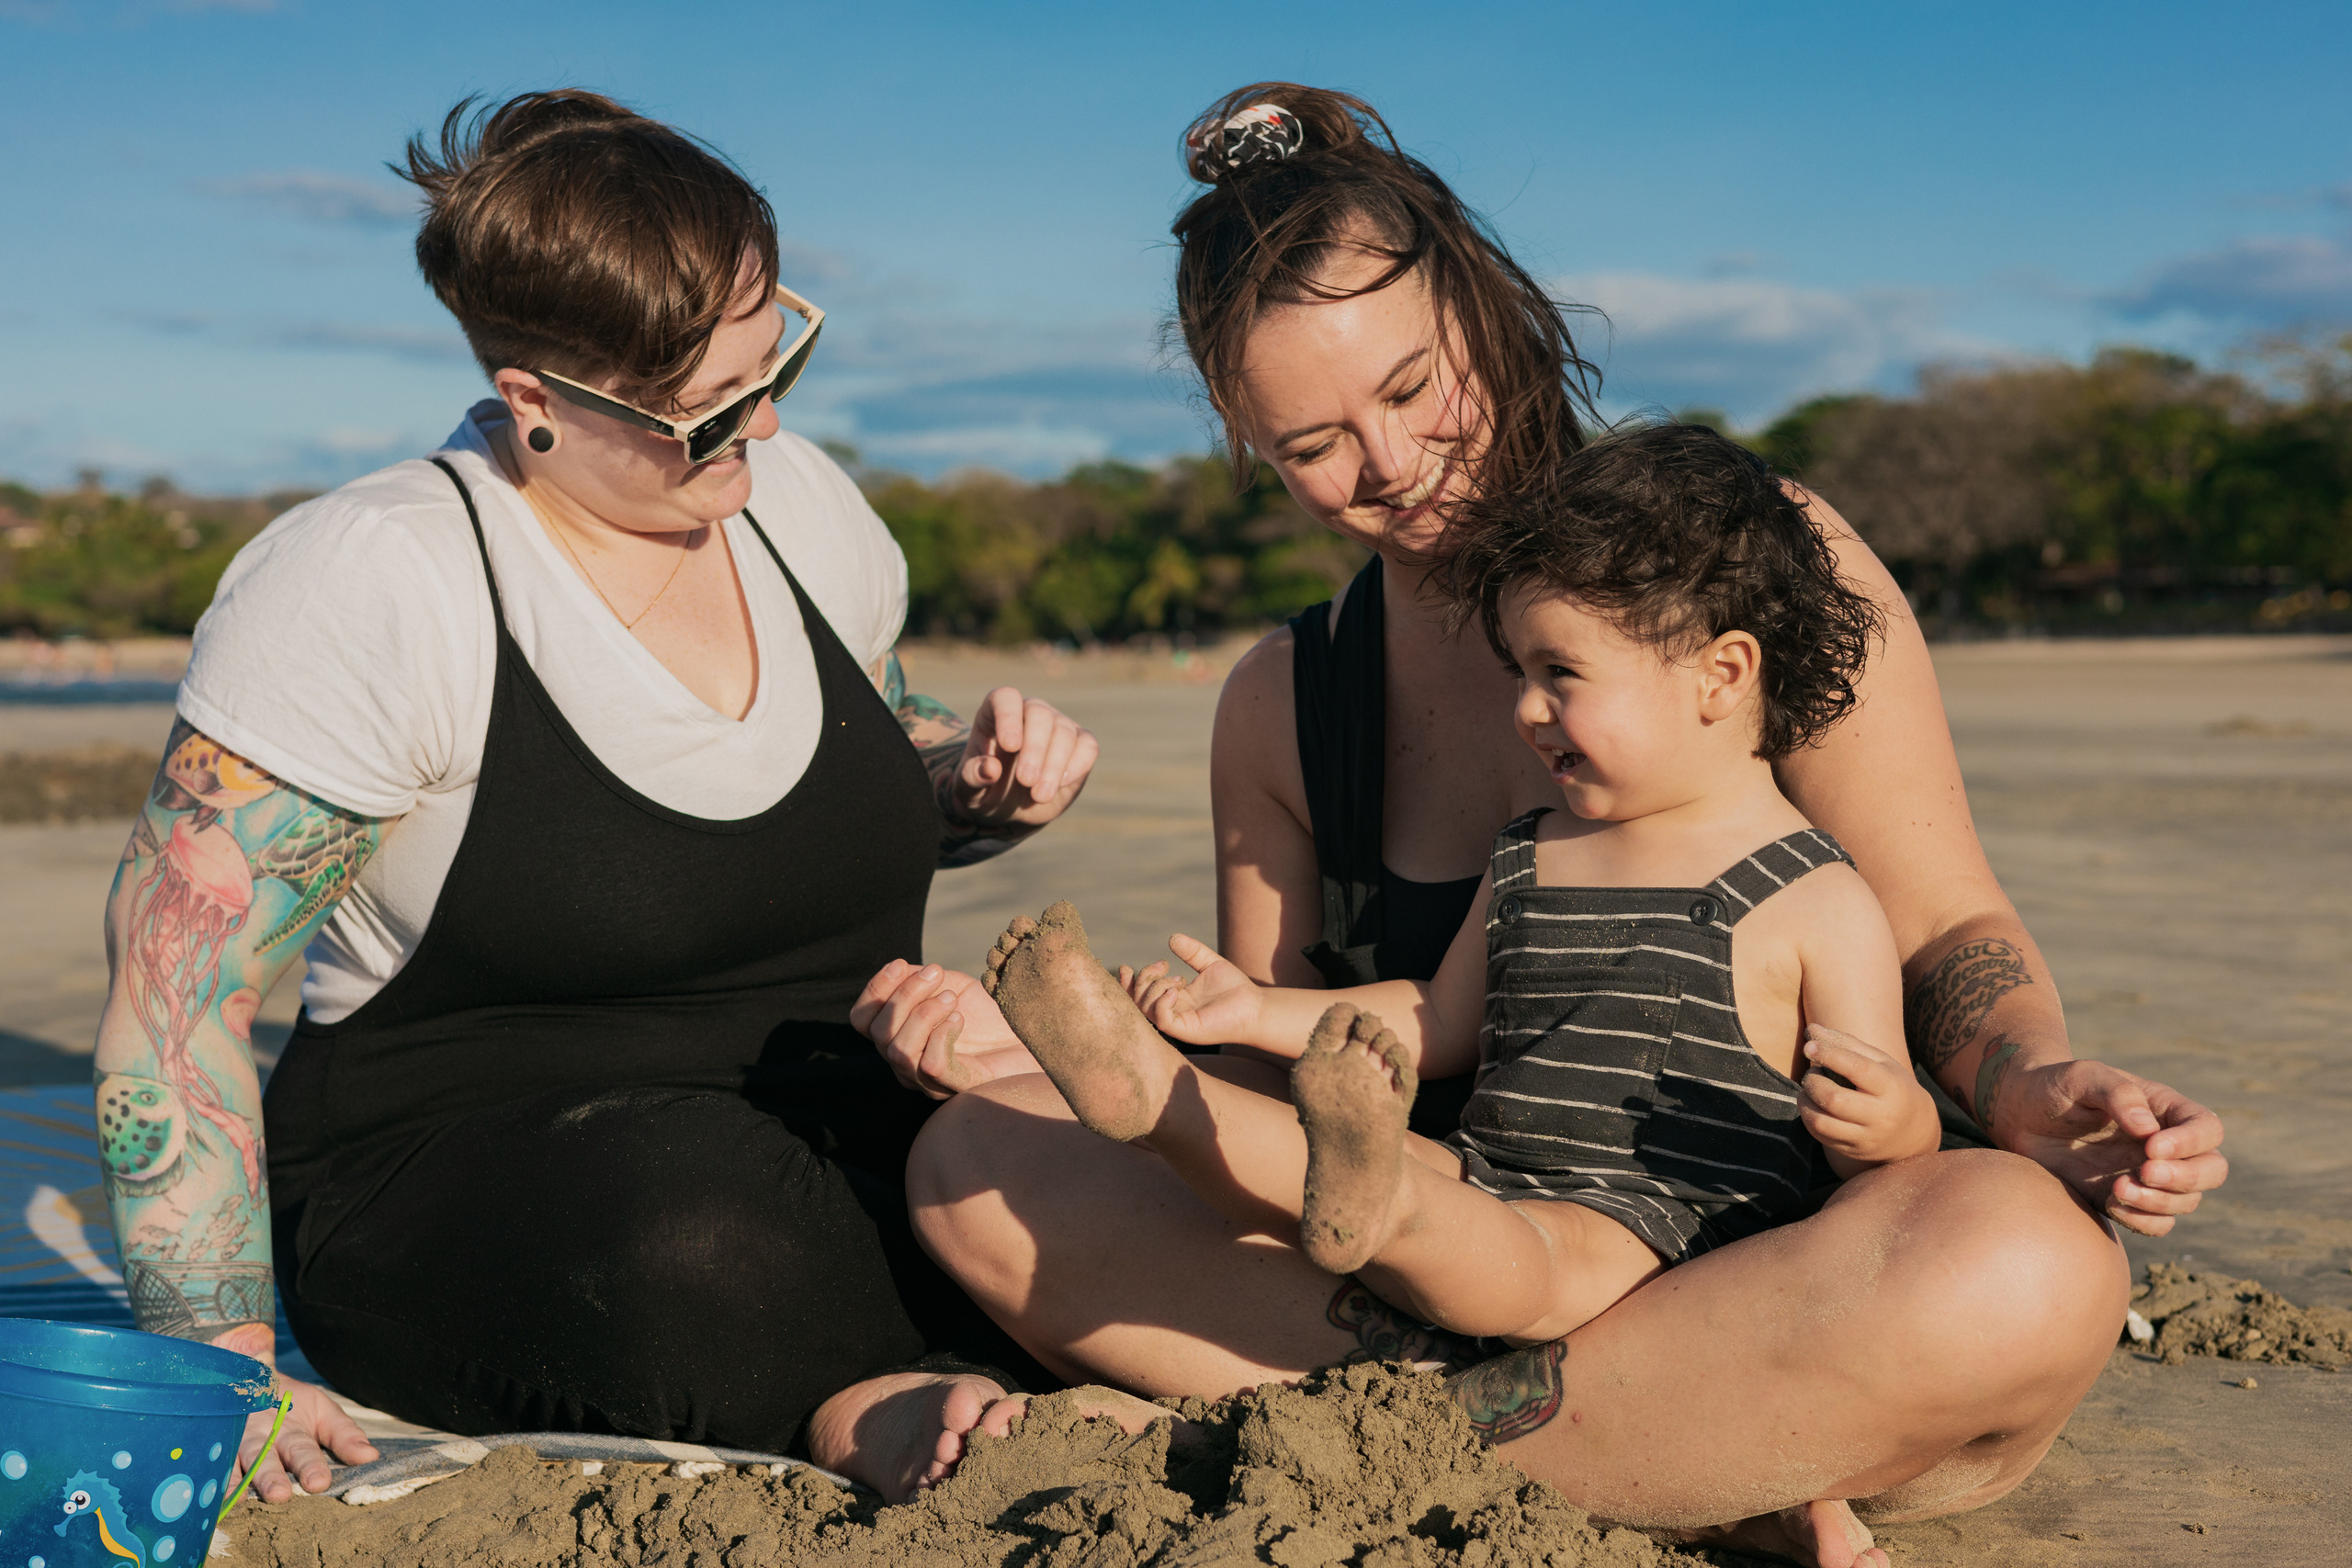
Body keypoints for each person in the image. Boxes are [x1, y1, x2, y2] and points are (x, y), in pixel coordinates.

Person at [857, 84, 2229, 1566]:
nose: (1386, 465)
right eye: (1313, 442)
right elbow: (1292, 1072)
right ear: (1252, 445)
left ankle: (1290, 1440)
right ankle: (1669, 1462)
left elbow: (1945, 925)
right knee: (972, 1165)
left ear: (1482, 298)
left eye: (1410, 386)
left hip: (1774, 1271)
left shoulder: (1746, 560)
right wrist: (1044, 1063)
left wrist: (2028, 1081)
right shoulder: (1281, 706)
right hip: (1457, 1250)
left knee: (2025, 1266)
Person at [91, 88, 1158, 1509]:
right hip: (500, 1177)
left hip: (836, 1106)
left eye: (780, 360)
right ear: (535, 400)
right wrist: (220, 1360)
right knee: (705, 1240)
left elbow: (872, 754)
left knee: (1111, 1126)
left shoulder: (800, 504)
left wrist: (973, 781)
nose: (763, 422)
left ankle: (937, 1355)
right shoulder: (376, 580)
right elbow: (175, 1001)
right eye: (706, 409)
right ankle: (864, 1405)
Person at [981, 423, 1943, 1351]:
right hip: (1484, 1172)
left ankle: (1382, 1205)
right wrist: (1252, 1012)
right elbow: (1435, 1018)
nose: (1525, 709)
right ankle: (1162, 1099)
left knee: (1529, 1250)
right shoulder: (1533, 850)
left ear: (1720, 674)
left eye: (1559, 672)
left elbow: (1885, 1138)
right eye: (1519, 670)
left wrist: (1889, 1123)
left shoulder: (1813, 894)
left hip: (1658, 1238)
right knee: (1356, 1165)